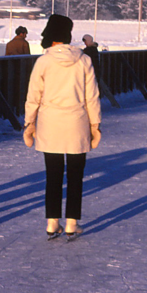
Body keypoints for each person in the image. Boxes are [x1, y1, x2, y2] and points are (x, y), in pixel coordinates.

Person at [24, 14, 102, 241]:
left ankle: (51, 222)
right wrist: (95, 125)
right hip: (77, 123)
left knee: (53, 175)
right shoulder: (84, 60)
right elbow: (92, 97)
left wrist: (29, 124)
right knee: (76, 176)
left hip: (50, 124)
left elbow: (33, 97)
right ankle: (71, 223)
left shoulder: (43, 62)